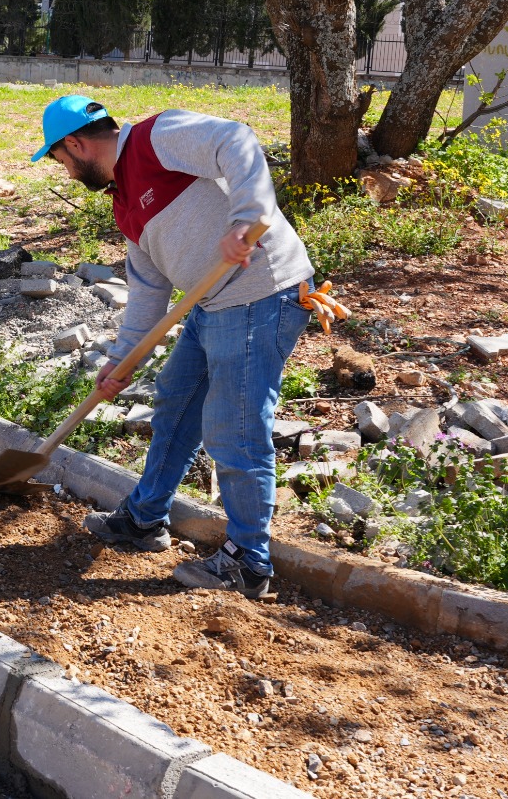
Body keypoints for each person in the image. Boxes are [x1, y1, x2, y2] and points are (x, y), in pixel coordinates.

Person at [30, 95, 315, 599]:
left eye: (60, 161)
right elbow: (147, 293)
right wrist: (121, 361)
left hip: (260, 292)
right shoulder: (124, 204)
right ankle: (144, 520)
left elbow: (238, 139)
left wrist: (244, 219)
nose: (67, 173)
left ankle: (249, 561)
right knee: (176, 401)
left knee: (234, 429)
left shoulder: (155, 139)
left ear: (74, 144)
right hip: (213, 304)